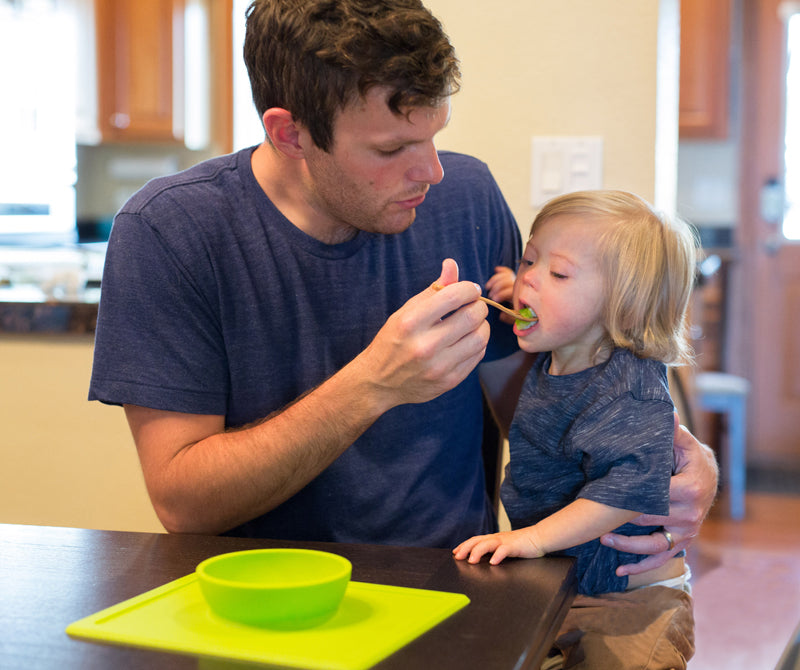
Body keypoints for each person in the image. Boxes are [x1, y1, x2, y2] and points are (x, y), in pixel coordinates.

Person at [89, 0, 716, 563]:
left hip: (462, 581)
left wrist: (668, 455)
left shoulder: (467, 196)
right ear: (290, 134)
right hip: (266, 596)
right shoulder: (171, 231)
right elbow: (184, 505)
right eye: (392, 150)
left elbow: (539, 406)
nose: (433, 171)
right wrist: (373, 384)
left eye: (435, 135)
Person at [454, 190, 699, 668]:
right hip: (563, 586)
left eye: (559, 274)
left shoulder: (630, 387)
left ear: (622, 305)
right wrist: (526, 288)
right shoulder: (564, 348)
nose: (529, 279)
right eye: (530, 260)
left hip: (630, 604)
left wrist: (534, 539)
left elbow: (624, 494)